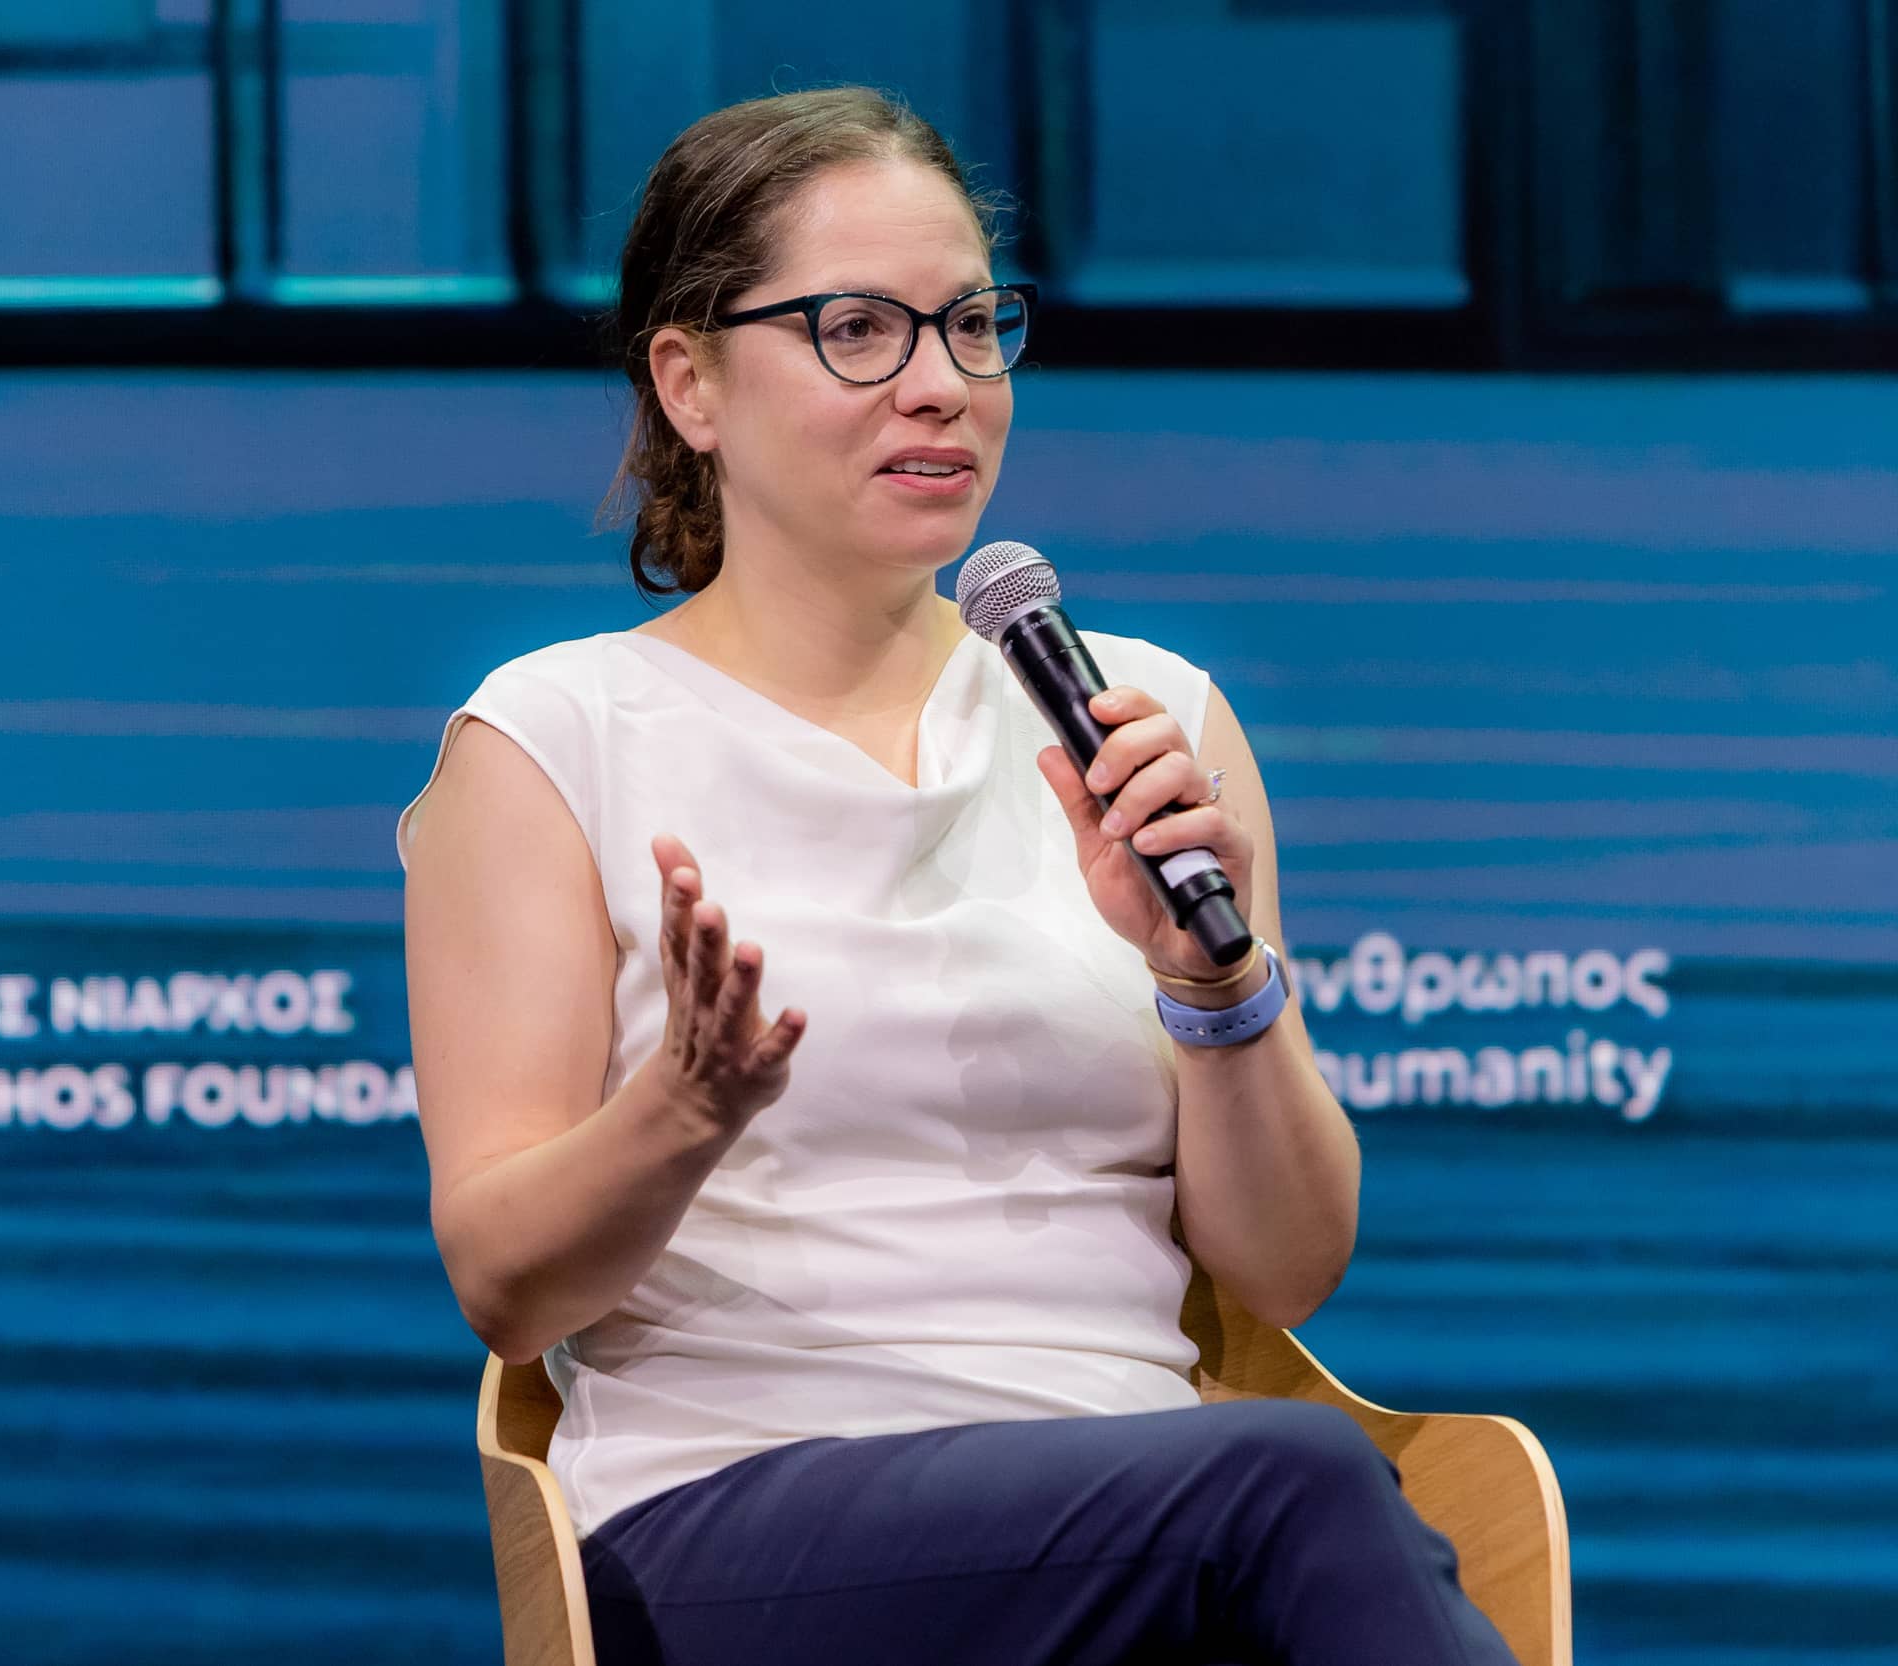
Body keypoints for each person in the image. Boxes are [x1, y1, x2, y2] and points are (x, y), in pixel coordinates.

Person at [395, 85, 1516, 1666]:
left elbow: (1288, 1264)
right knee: (1295, 1492)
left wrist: (1214, 986)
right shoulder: (551, 738)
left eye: (974, 324)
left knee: (1275, 1497)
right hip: (739, 1519)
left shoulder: (1147, 719)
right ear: (690, 381)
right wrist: (683, 1109)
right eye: (858, 329)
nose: (942, 387)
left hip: (1157, 1510)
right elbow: (505, 1285)